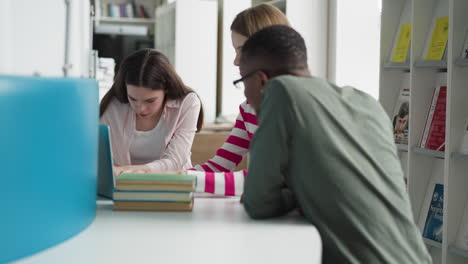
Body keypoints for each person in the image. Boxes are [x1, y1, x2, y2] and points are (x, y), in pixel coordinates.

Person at [239, 25, 431, 263]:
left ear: (261, 80)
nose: (245, 96)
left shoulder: (281, 92)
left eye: (242, 82)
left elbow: (258, 203)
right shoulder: (366, 102)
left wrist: (293, 194)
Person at [187, 3, 290, 196]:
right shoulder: (248, 109)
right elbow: (219, 166)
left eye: (241, 49)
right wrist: (168, 178)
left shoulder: (293, 106)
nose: (235, 61)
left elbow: (265, 181)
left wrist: (184, 179)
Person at [100, 49, 203, 176]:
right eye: (132, 98)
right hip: (124, 188)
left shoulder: (187, 103)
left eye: (150, 100)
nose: (140, 108)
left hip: (174, 186)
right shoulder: (114, 104)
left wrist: (134, 170)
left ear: (166, 89)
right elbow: (100, 156)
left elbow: (175, 161)